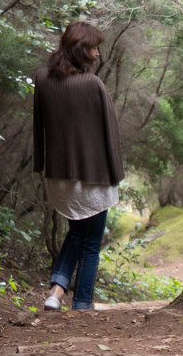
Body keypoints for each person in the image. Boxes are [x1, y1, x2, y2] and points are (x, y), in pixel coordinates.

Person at [32, 21, 124, 310]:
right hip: (92, 177)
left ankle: (56, 292)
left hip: (59, 177)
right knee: (91, 242)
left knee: (76, 231)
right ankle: (83, 305)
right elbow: (111, 133)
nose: (97, 55)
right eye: (94, 48)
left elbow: (39, 128)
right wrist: (116, 175)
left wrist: (41, 165)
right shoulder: (93, 84)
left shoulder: (42, 80)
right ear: (82, 50)